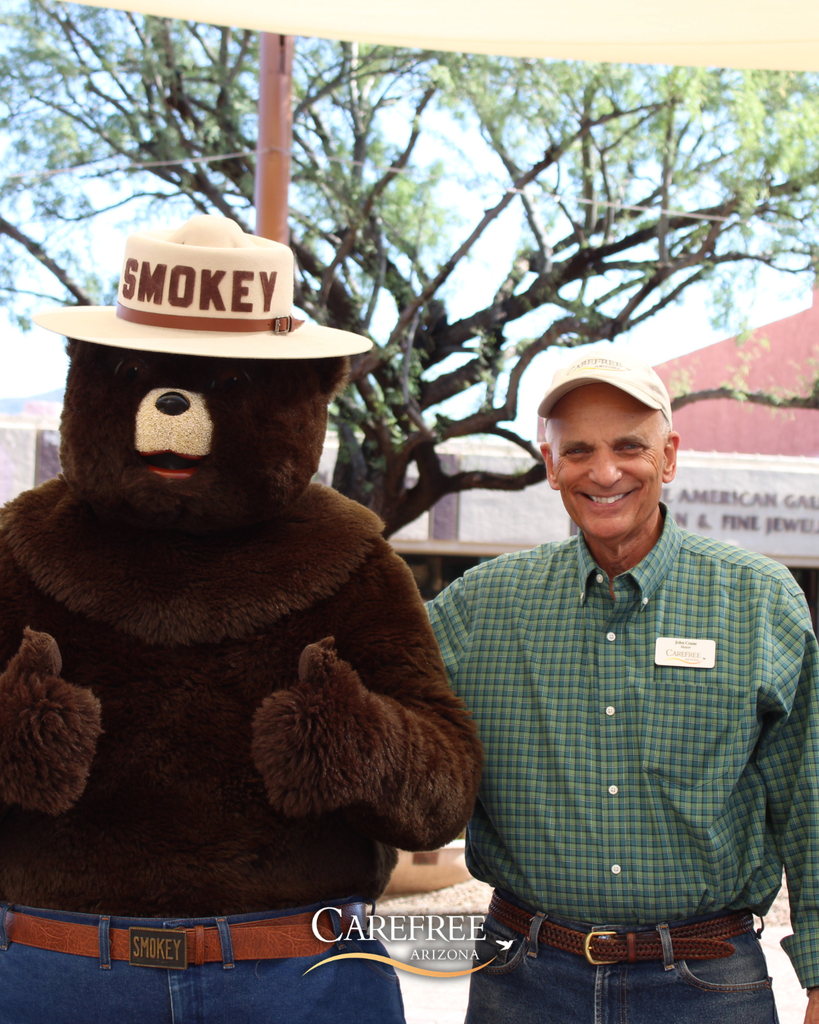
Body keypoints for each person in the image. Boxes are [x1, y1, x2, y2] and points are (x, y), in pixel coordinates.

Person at [428, 353, 819, 1024]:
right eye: (577, 450)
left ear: (667, 457)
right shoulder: (474, 610)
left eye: (628, 447)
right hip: (522, 982)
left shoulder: (758, 600)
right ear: (550, 466)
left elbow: (808, 798)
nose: (603, 472)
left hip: (708, 985)